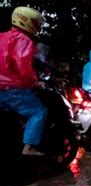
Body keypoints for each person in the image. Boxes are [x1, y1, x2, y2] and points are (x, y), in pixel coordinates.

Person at [0, 7, 47, 156]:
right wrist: (35, 81)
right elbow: (23, 66)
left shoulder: (1, 36)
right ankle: (29, 146)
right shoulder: (23, 40)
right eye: (35, 23)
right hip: (14, 88)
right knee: (39, 111)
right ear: (26, 21)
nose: (37, 26)